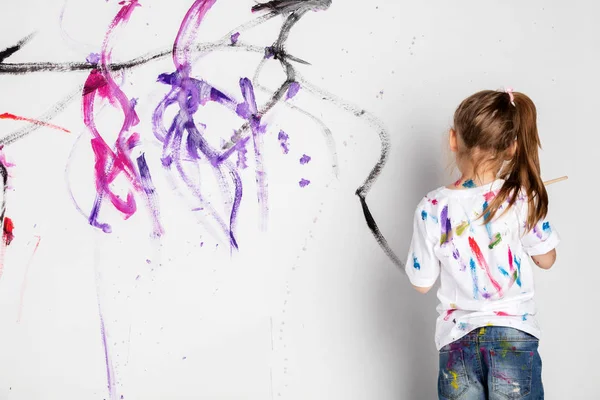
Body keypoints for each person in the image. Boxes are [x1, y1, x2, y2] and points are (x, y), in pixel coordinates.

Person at [406, 88, 560, 399]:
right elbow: (546, 258)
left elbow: (421, 283)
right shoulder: (521, 198)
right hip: (515, 336)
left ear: (453, 139)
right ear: (512, 147)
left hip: (457, 339)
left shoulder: (432, 206)